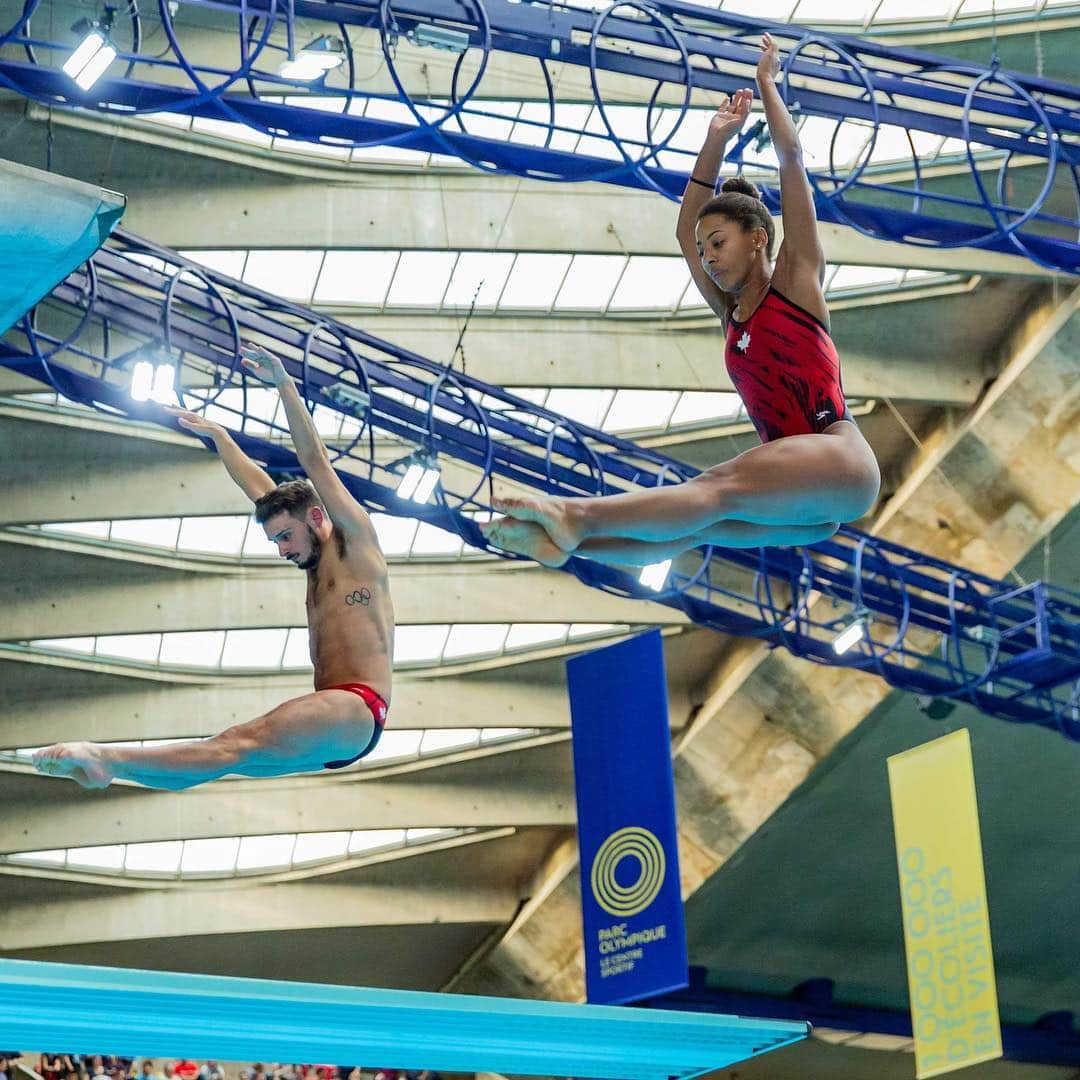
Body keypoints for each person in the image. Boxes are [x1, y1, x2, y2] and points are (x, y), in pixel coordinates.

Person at [482, 33, 880, 570]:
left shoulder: (796, 283)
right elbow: (683, 227)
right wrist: (714, 138)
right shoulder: (732, 317)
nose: (708, 258)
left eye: (718, 244)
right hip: (809, 502)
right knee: (700, 522)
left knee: (713, 488)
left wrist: (767, 84)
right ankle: (571, 547)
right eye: (704, 250)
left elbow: (791, 159)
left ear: (758, 237)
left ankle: (576, 517)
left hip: (839, 460)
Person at [33, 343, 395, 790]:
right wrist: (221, 437)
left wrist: (284, 385)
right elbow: (257, 487)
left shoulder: (356, 545)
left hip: (357, 706)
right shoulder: (312, 560)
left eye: (286, 537)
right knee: (225, 755)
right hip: (336, 725)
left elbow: (314, 460)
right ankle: (113, 769)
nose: (282, 550)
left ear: (317, 517)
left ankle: (104, 756)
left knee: (233, 745)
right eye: (276, 540)